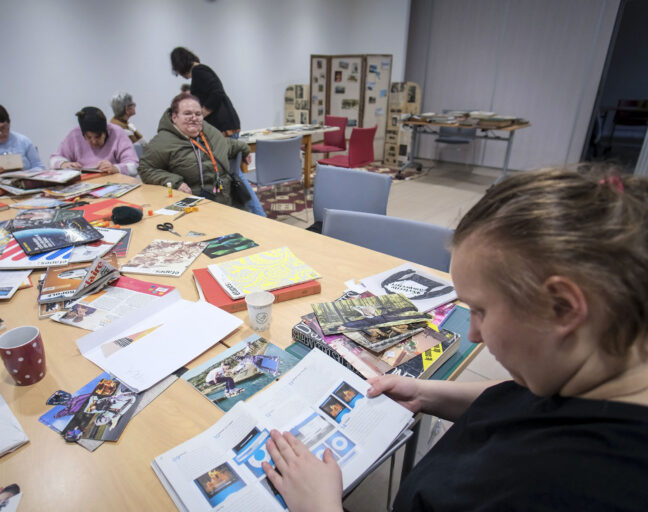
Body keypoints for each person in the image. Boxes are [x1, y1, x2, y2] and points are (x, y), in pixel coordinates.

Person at [263, 166, 648, 511]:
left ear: (562, 307)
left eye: (480, 310)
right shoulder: (605, 366)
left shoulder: (561, 490)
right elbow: (527, 399)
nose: (473, 333)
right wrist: (428, 394)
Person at [170, 47, 266, 216]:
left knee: (235, 176)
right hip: (225, 127)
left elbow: (217, 93)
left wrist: (203, 113)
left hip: (224, 129)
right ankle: (249, 215)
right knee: (233, 175)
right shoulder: (201, 72)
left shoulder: (200, 71)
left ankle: (259, 216)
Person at [138, 93, 250, 208]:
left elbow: (226, 144)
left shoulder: (209, 131)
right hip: (194, 206)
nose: (194, 118)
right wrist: (175, 182)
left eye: (198, 114)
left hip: (226, 200)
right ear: (174, 117)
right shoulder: (162, 142)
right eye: (187, 113)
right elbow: (145, 168)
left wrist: (245, 149)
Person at [49, 106, 138, 176]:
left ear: (106, 131)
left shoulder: (117, 133)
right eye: (88, 137)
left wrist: (116, 168)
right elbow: (54, 159)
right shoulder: (75, 134)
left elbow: (134, 166)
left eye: (98, 137)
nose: (94, 141)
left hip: (113, 183)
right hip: (84, 184)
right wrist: (64, 164)